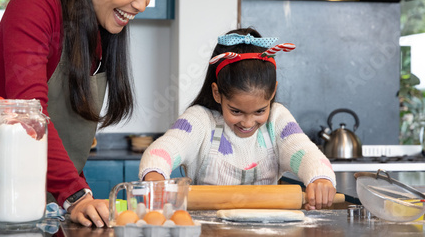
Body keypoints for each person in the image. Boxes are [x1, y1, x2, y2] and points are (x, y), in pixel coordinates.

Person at [0, 0, 171, 228]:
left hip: (53, 206)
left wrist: (77, 195)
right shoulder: (36, 6)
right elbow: (27, 115)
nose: (142, 4)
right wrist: (75, 193)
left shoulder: (103, 32)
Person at [139, 28, 337, 210]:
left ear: (273, 92)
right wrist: (155, 178)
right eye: (236, 112)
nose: (248, 123)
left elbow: (305, 153)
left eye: (259, 111)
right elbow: (161, 151)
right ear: (217, 93)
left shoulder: (277, 119)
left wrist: (320, 178)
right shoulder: (200, 121)